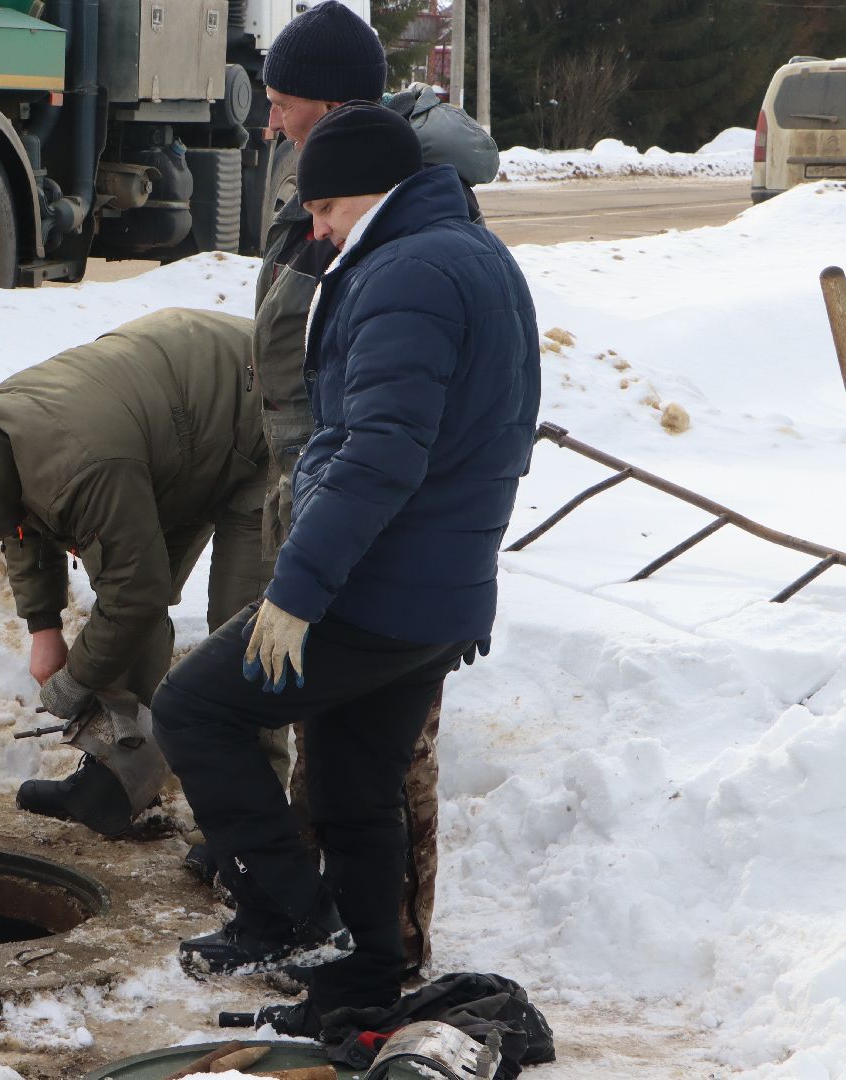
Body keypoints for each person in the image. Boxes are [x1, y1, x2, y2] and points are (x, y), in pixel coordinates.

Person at [153, 103, 540, 1026]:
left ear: (372, 190)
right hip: (436, 591)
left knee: (195, 708)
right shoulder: (466, 252)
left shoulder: (410, 270)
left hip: (376, 587)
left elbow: (381, 452)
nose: (317, 229)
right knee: (353, 784)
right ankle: (359, 984)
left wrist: (294, 594)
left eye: (324, 209)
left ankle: (289, 917)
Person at [221, 0, 500, 978]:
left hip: (383, 530)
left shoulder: (397, 222)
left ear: (333, 106)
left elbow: (394, 416)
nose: (268, 125)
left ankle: (395, 957)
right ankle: (326, 939)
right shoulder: (319, 188)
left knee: (388, 754)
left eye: (283, 104)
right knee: (326, 741)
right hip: (314, 500)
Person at [0, 307, 279, 836]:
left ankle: (251, 833)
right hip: (171, 434)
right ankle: (112, 787)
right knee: (126, 617)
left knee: (242, 633)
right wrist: (44, 626)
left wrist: (77, 681)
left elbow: (135, 595)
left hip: (261, 412)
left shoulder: (83, 469)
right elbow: (22, 520)